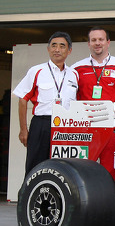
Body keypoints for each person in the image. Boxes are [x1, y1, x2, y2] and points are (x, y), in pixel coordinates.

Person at [73, 27, 115, 179]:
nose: (97, 43)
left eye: (101, 39)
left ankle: (110, 202)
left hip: (113, 128)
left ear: (108, 42)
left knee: (112, 171)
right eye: (93, 40)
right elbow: (72, 99)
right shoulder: (77, 68)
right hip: (86, 129)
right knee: (83, 172)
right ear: (88, 44)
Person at [13, 32, 79, 174]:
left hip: (65, 127)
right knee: (35, 167)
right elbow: (22, 99)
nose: (57, 49)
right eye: (53, 46)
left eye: (62, 46)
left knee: (62, 168)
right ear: (48, 49)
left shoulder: (74, 74)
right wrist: (23, 129)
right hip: (42, 125)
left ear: (69, 50)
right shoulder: (36, 71)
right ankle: (29, 195)